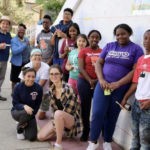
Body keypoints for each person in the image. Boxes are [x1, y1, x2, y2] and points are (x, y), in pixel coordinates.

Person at [86, 24, 143, 150]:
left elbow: (135, 71)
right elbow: (99, 63)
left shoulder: (136, 49)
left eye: (123, 34)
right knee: (97, 113)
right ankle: (93, 141)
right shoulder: (109, 46)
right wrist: (101, 79)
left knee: (112, 115)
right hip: (104, 86)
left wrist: (118, 83)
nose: (120, 36)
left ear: (129, 33)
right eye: (117, 34)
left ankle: (107, 141)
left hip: (119, 88)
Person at [37, 64, 82, 150]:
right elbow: (45, 111)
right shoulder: (49, 92)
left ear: (61, 75)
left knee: (58, 114)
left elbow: (69, 111)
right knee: (40, 137)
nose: (54, 76)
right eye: (51, 74)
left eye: (56, 74)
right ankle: (58, 130)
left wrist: (55, 125)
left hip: (72, 122)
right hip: (58, 119)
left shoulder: (69, 89)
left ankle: (58, 144)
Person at [121, 30, 150, 150]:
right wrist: (125, 98)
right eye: (145, 38)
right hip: (137, 103)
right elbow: (135, 82)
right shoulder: (141, 59)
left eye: (149, 38)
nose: (146, 41)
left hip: (147, 105)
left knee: (145, 141)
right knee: (135, 137)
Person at [77, 30, 102, 141]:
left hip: (98, 82)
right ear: (88, 38)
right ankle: (85, 131)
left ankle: (95, 132)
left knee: (97, 109)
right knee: (85, 107)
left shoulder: (103, 51)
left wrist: (97, 80)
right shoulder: (83, 51)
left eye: (97, 37)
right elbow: (81, 68)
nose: (94, 39)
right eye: (92, 37)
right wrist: (89, 80)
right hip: (84, 82)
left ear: (99, 39)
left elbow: (104, 68)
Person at [11, 67, 43, 141]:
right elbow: (15, 103)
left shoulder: (38, 88)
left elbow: (38, 104)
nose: (31, 79)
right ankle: (20, 129)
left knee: (32, 137)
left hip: (30, 114)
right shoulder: (17, 87)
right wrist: (24, 106)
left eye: (33, 77)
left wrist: (32, 114)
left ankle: (24, 122)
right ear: (24, 76)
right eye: (28, 76)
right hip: (17, 112)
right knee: (25, 112)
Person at [19, 48, 50, 120]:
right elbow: (22, 83)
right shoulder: (26, 67)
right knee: (27, 112)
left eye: (39, 55)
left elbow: (39, 86)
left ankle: (41, 111)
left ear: (42, 58)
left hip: (44, 93)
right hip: (28, 92)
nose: (37, 56)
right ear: (30, 58)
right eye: (35, 55)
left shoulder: (46, 67)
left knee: (40, 117)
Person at [10, 23, 30, 95]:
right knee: (14, 80)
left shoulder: (27, 39)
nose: (21, 31)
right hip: (16, 63)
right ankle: (14, 93)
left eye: (23, 30)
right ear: (17, 30)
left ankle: (23, 93)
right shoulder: (13, 40)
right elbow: (15, 51)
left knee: (25, 79)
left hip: (25, 63)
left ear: (25, 31)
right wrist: (24, 45)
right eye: (20, 30)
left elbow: (29, 50)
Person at [0, 16, 11, 101]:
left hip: (4, 60)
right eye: (3, 23)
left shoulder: (8, 35)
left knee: (1, 78)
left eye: (7, 24)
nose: (5, 25)